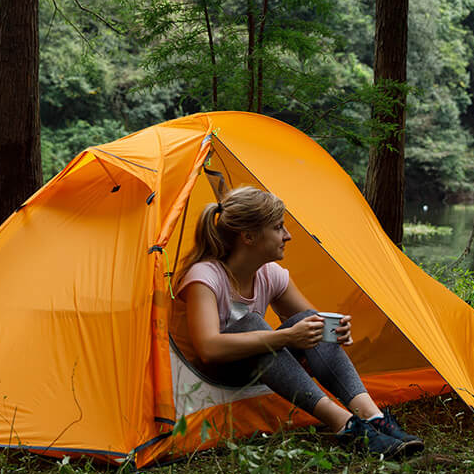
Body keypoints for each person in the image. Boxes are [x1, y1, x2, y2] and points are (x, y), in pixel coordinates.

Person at [170, 186, 424, 458]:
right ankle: (346, 426)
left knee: (312, 322)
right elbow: (208, 349)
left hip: (259, 368)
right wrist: (288, 337)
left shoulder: (270, 274)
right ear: (249, 236)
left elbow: (311, 324)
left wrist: (332, 330)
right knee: (252, 324)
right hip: (211, 377)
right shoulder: (204, 277)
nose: (287, 236)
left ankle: (373, 418)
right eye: (278, 228)